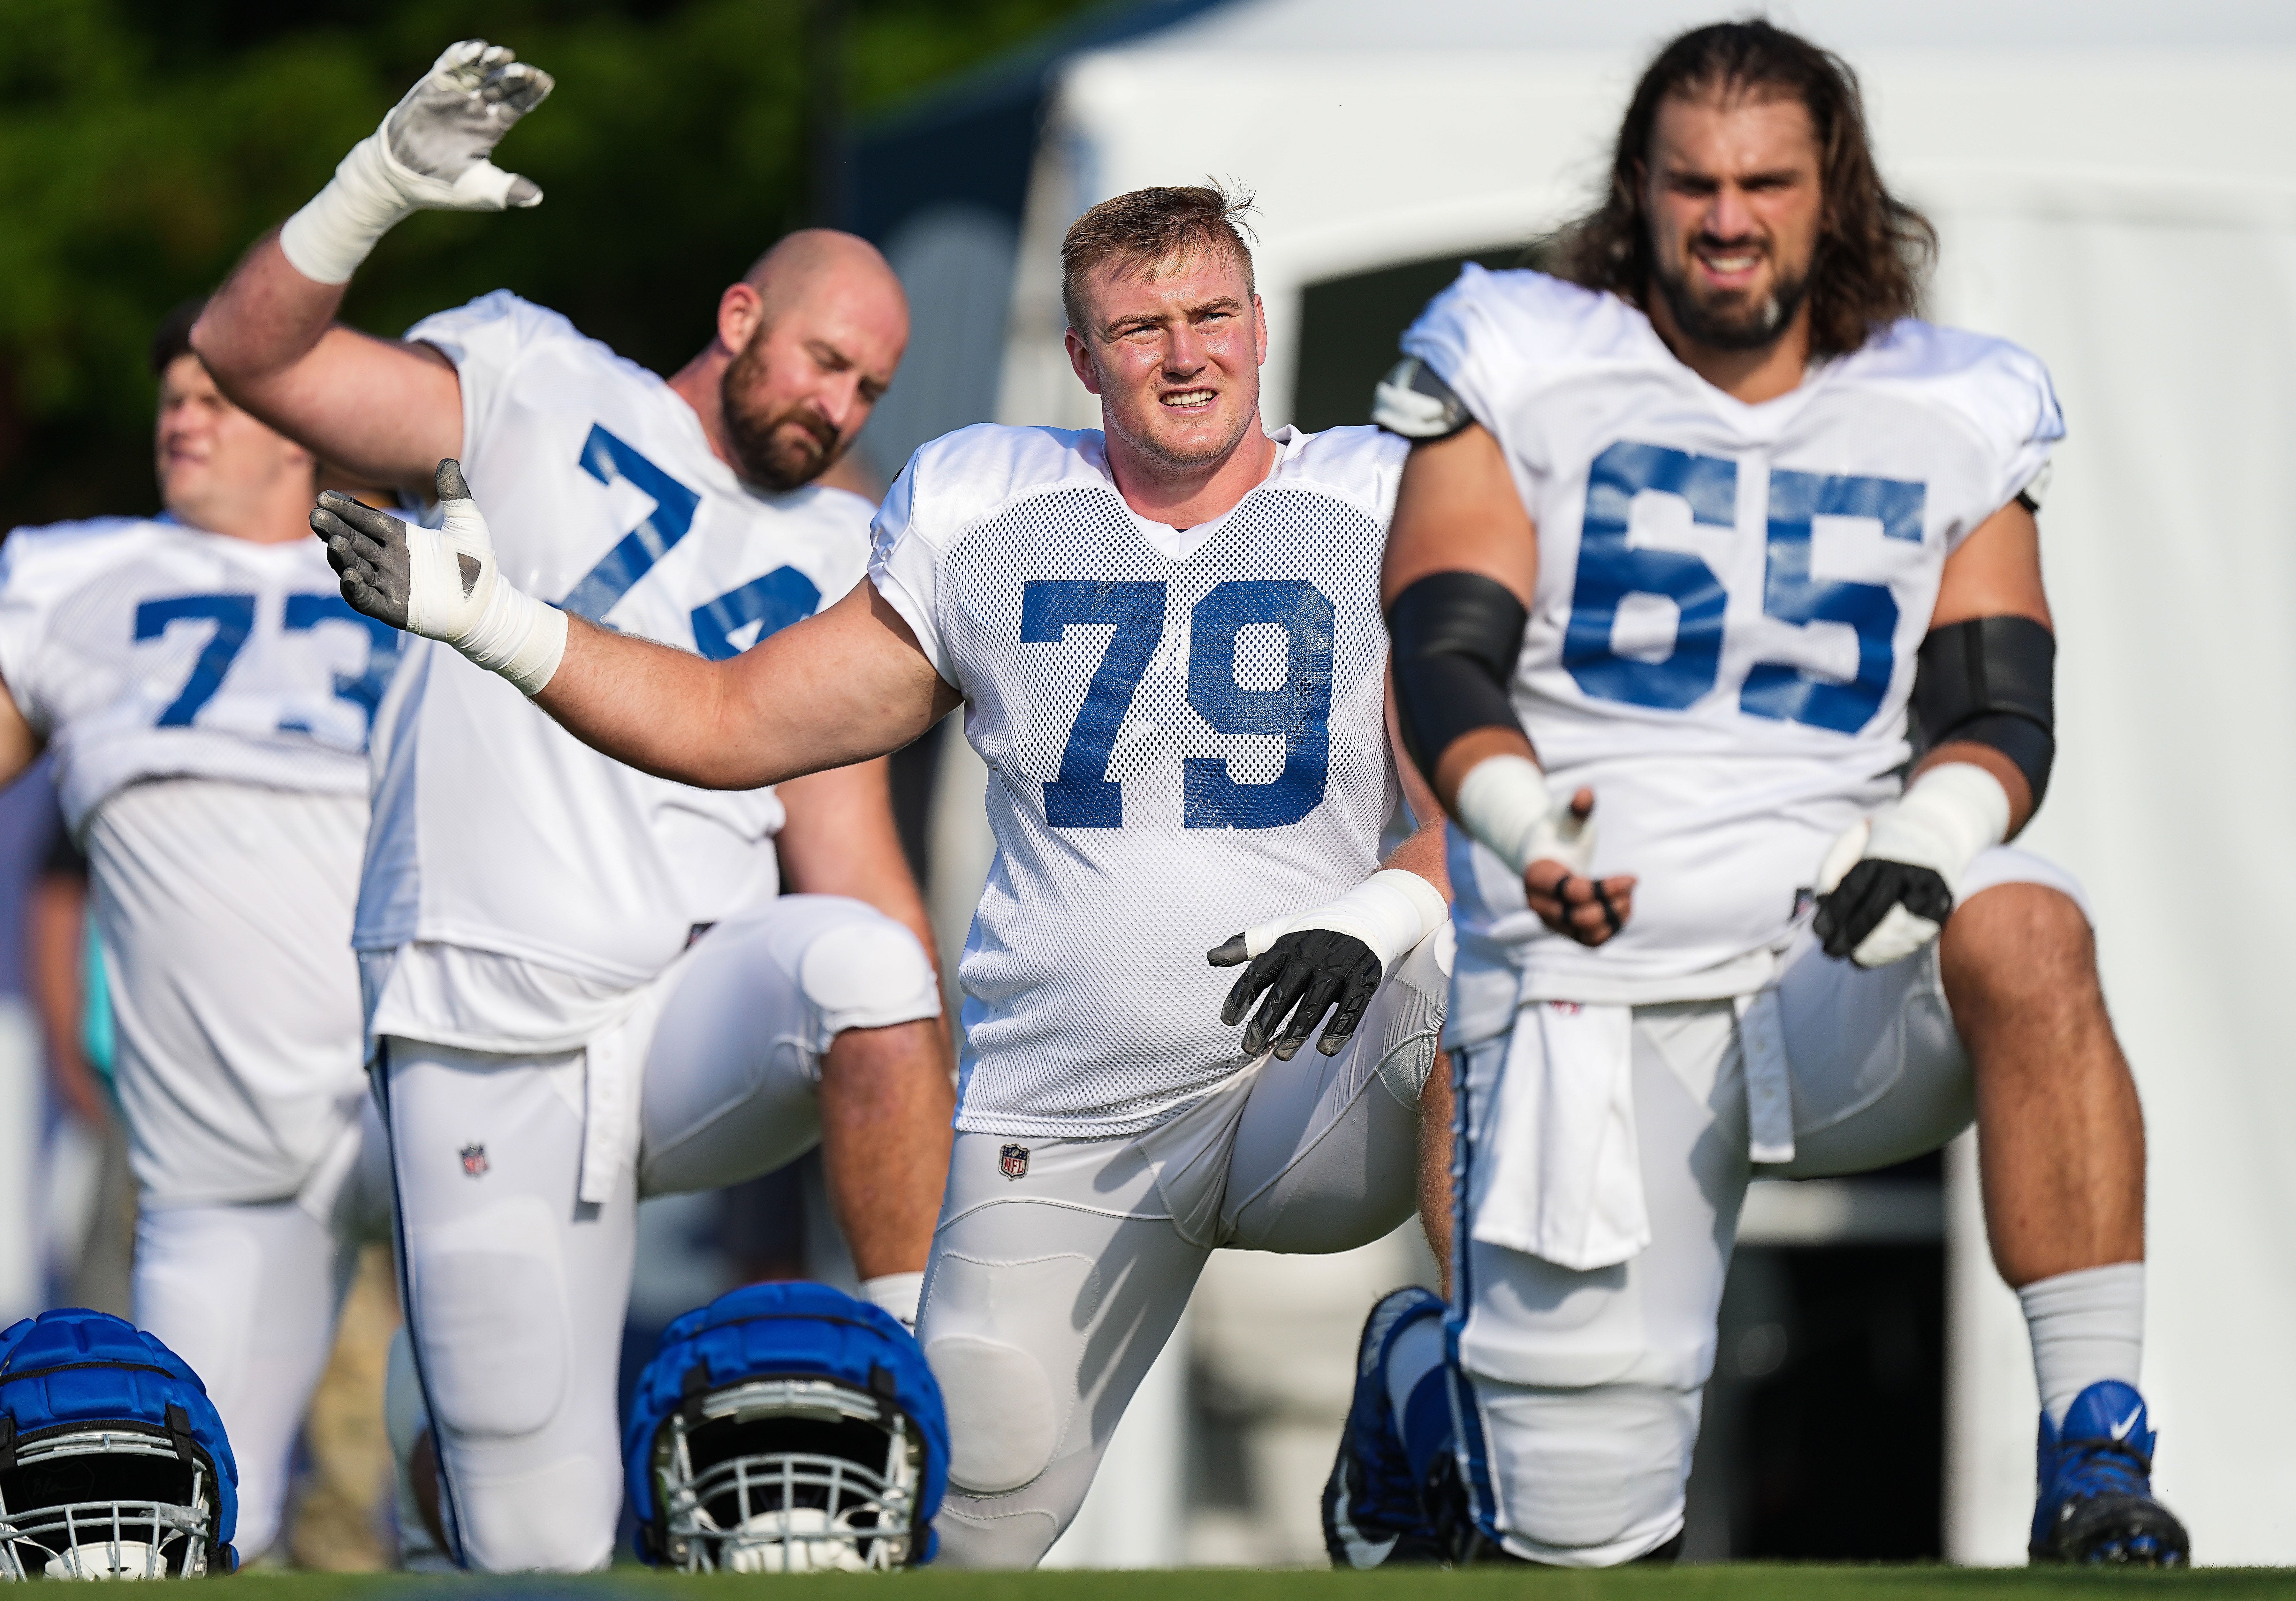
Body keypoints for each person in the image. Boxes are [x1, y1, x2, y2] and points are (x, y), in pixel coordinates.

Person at [308, 181, 1457, 1568]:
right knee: (961, 1538)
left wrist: (1381, 909)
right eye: (1138, 327)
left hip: (1321, 1076)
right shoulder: (985, 504)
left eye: (1212, 314)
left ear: (1260, 325)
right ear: (1082, 359)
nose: (1184, 352)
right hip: (1073, 1105)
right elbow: (732, 724)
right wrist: (481, 614)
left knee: (1485, 975)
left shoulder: (1386, 497)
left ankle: (1467, 1386)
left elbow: (1472, 798)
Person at [1329, 18, 2188, 1570]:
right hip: (1594, 960)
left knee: (2031, 925)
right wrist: (1521, 830)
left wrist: (1931, 838)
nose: (1727, 217)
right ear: (1640, 191)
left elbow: (1997, 700)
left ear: (1831, 189)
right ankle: (1431, 1394)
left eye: (1765, 181)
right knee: (1580, 1549)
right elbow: (1442, 643)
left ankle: (2096, 1454)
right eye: (1694, 182)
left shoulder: (1952, 395)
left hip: (1835, 959)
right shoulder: (1521, 350)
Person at [191, 41, 954, 1572]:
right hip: (485, 999)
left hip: (687, 1018)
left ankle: (915, 1380)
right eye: (823, 359)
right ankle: (445, 1460)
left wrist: (944, 1088)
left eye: (869, 383)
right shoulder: (537, 376)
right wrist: (376, 191)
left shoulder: (848, 544)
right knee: (536, 1543)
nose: (838, 402)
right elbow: (252, 358)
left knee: (875, 976)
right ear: (741, 315)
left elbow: (848, 852)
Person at [0, 303, 396, 1563]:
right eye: (169, 395)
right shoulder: (75, 576)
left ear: (296, 427)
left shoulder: (415, 570)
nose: (179, 413)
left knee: (499, 1487)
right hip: (208, 1150)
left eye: (212, 397)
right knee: (183, 1524)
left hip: (424, 1101)